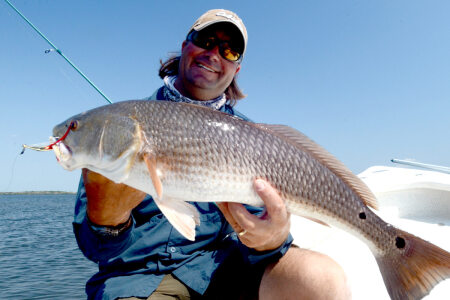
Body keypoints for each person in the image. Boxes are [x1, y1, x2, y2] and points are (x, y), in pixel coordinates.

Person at [73, 9, 351, 300]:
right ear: (185, 46)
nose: (214, 53)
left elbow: (260, 240)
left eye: (229, 51)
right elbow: (94, 249)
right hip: (134, 278)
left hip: (220, 270)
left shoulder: (252, 139)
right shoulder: (121, 125)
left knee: (321, 281)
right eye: (206, 40)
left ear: (236, 69)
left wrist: (273, 238)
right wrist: (109, 219)